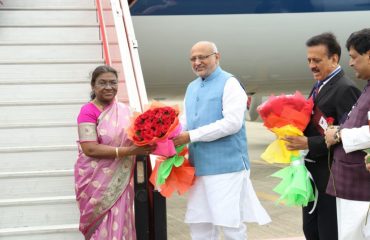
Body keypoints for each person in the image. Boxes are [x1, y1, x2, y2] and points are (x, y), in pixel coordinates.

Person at [173, 41, 271, 240]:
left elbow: (232, 123)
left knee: (229, 224)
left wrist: (191, 136)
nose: (197, 62)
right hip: (198, 167)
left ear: (217, 57)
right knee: (199, 223)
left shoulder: (229, 83)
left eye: (203, 57)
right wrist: (166, 134)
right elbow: (185, 120)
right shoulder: (192, 87)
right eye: (193, 59)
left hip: (227, 167)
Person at [283, 33, 361, 240]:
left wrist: (308, 142)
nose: (311, 66)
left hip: (330, 176)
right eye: (309, 60)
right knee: (311, 230)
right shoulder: (320, 86)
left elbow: (350, 133)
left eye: (317, 60)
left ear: (334, 59)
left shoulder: (346, 88)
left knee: (328, 232)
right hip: (312, 174)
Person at [74, 65, 155, 239]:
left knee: (121, 225)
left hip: (120, 180)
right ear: (93, 86)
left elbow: (140, 135)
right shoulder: (87, 111)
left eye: (113, 82)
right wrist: (129, 151)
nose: (109, 87)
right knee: (101, 229)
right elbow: (90, 148)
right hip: (95, 182)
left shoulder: (126, 111)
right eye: (102, 83)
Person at [324, 28, 370, 240]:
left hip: (361, 184)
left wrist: (340, 135)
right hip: (351, 182)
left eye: (354, 57)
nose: (350, 63)